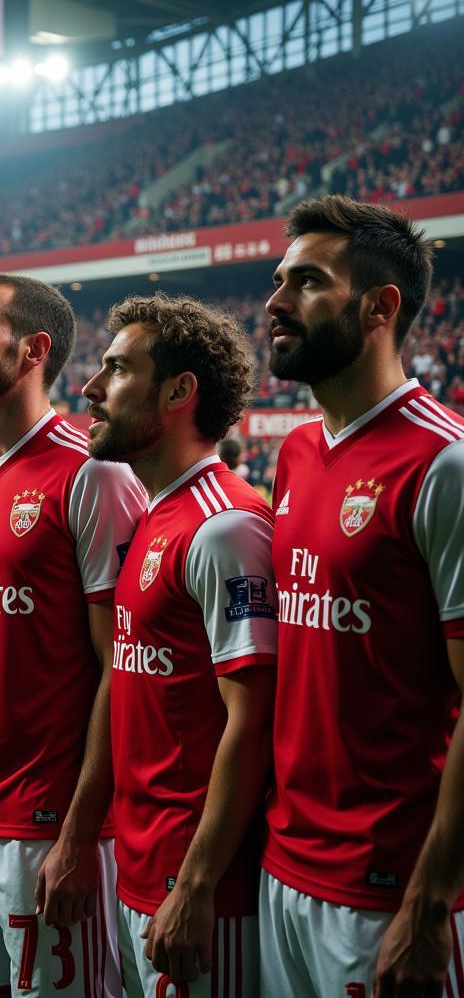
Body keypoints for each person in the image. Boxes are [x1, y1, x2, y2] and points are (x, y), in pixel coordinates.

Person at [0, 273, 145, 997]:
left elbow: (123, 672)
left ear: (33, 350)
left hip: (49, 826)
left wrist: (79, 833)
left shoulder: (93, 476)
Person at [262, 195, 464, 995]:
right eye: (279, 279)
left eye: (305, 282)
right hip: (286, 868)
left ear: (381, 307)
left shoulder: (443, 463)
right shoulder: (299, 452)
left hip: (389, 890)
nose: (275, 301)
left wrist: (427, 903)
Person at [83, 293, 278, 995]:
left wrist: (196, 885)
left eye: (116, 369)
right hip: (140, 867)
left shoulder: (224, 528)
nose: (91, 387)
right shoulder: (158, 512)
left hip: (199, 890)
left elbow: (252, 721)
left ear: (177, 391)